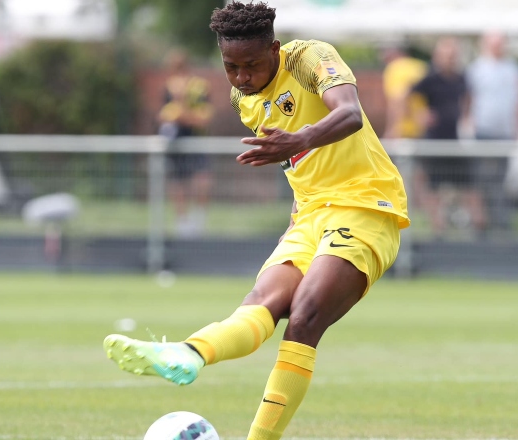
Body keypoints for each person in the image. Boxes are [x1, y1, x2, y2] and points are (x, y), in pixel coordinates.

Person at [103, 2, 409, 440]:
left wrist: (300, 139)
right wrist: (295, 215)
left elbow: (349, 114)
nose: (242, 77)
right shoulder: (242, 100)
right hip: (310, 215)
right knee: (263, 301)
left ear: (274, 49)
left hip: (365, 206)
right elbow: (299, 167)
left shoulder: (309, 57)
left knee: (304, 316)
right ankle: (189, 352)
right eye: (231, 67)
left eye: (251, 65)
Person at [406, 37, 486, 235]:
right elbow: (407, 95)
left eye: (453, 56)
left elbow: (468, 98)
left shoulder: (461, 78)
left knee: (468, 185)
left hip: (457, 142)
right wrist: (419, 115)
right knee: (432, 186)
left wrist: (467, 118)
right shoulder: (430, 78)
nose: (450, 59)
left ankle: (479, 227)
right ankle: (438, 228)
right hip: (435, 142)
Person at [466, 31, 518, 232]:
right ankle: (482, 223)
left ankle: (501, 222)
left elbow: (517, 101)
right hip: (483, 131)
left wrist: (517, 128)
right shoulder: (476, 69)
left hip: (505, 133)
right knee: (481, 179)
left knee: (502, 179)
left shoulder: (513, 69)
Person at [158, 49, 215, 238]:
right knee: (178, 182)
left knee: (202, 179)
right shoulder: (169, 87)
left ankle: (199, 220)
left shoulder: (199, 86)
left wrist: (184, 113)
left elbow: (204, 118)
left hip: (196, 141)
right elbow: (165, 116)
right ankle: (182, 223)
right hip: (176, 142)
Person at [381, 45, 428, 140]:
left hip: (404, 130)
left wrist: (392, 129)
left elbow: (397, 99)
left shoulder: (395, 68)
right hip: (425, 128)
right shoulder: (422, 66)